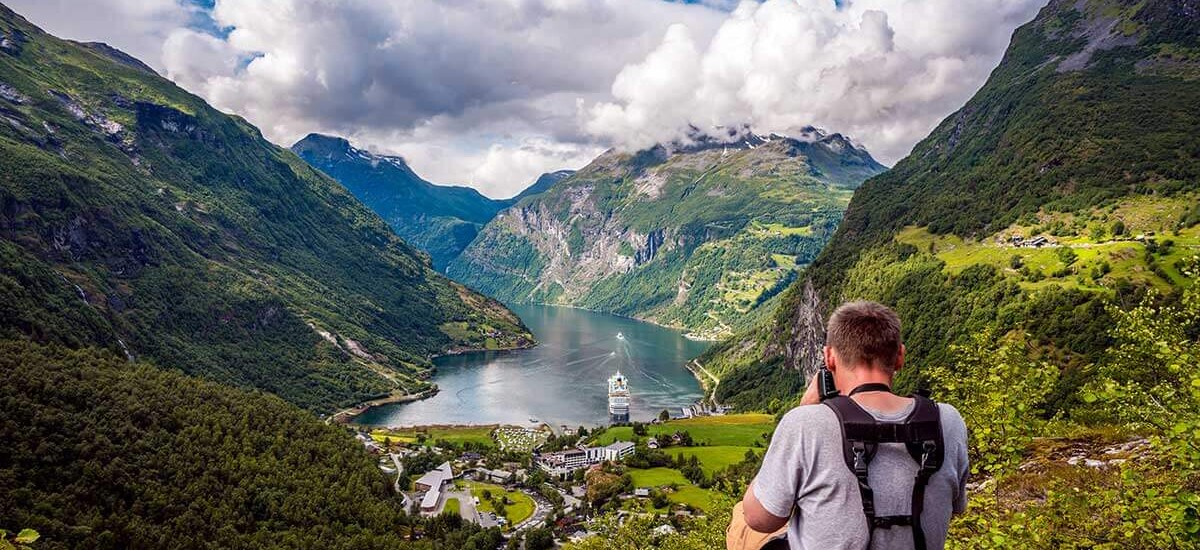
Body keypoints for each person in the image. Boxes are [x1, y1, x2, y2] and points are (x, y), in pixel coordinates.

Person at [728, 301, 969, 550]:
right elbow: (954, 507)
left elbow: (760, 519)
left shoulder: (806, 423)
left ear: (829, 358)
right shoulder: (948, 421)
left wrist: (803, 408)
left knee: (741, 520)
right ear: (900, 356)